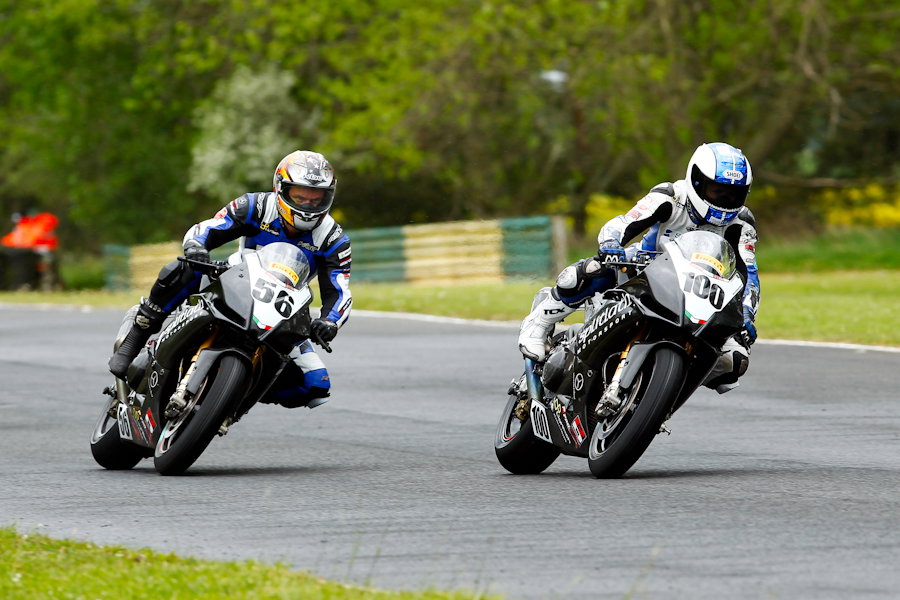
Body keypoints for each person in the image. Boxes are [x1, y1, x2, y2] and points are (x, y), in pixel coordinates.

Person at [108, 150, 352, 408]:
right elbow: (209, 227)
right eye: (300, 196)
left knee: (316, 386)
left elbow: (340, 289)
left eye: (317, 198)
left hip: (283, 307)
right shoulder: (255, 205)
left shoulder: (334, 240)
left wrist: (330, 321)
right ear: (280, 188)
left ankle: (232, 397)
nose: (308, 205)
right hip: (235, 279)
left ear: (330, 196)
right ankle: (137, 334)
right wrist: (197, 247)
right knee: (184, 268)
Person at [518, 142, 760, 391]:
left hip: (701, 292)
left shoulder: (742, 223)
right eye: (716, 190)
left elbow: (749, 275)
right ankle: (539, 322)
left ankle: (663, 392)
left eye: (733, 195)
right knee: (587, 272)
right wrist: (611, 243)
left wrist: (747, 315)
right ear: (696, 181)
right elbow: (626, 222)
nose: (724, 200)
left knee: (735, 362)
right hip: (648, 268)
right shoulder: (671, 196)